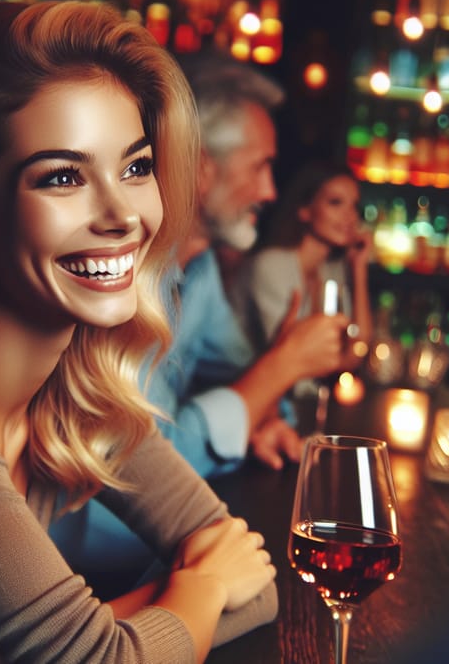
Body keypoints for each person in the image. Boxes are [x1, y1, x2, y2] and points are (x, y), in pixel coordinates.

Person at [0, 0, 278, 664]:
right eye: (62, 177)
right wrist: (199, 590)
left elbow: (258, 590)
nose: (123, 214)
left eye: (136, 166)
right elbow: (91, 658)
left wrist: (110, 638)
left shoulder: (80, 380)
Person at [48, 53, 350, 600]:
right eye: (260, 166)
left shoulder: (201, 268)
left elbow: (241, 374)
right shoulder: (110, 273)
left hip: (162, 567)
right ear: (201, 166)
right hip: (87, 577)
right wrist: (280, 369)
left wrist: (264, 413)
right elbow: (127, 472)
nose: (270, 193)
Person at [230, 159, 373, 377]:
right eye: (335, 202)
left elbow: (356, 349)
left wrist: (359, 268)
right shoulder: (271, 266)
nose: (350, 216)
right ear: (305, 210)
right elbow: (292, 362)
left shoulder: (331, 270)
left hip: (299, 395)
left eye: (354, 205)